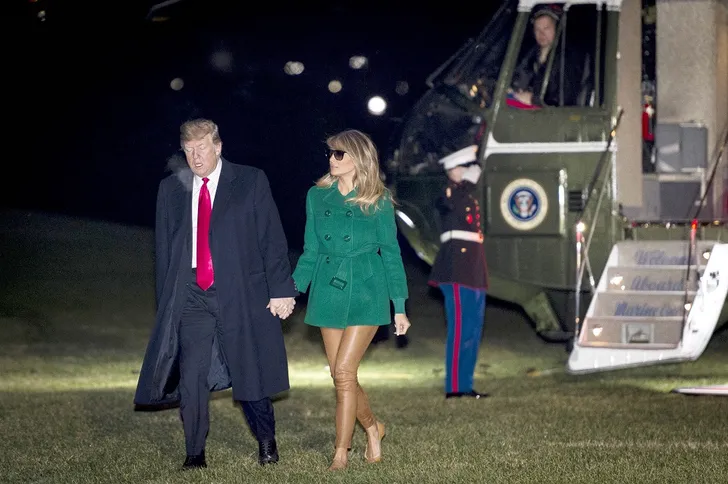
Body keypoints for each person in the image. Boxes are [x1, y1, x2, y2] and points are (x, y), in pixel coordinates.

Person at [133, 118, 297, 470]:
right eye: (189, 150)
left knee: (248, 368)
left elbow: (272, 239)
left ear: (218, 147)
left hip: (238, 291)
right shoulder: (171, 189)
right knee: (191, 375)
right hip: (192, 294)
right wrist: (167, 305)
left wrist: (282, 289)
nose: (195, 157)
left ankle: (266, 440)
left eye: (202, 148)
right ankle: (195, 452)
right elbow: (163, 251)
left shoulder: (250, 181)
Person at [291, 129, 412, 471]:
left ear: (359, 157)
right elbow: (311, 250)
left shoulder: (378, 199)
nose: (332, 159)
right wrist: (292, 290)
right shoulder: (317, 196)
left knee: (344, 371)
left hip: (366, 290)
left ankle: (340, 453)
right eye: (330, 153)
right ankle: (373, 428)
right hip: (328, 289)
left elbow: (391, 255)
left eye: (339, 153)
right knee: (340, 376)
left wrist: (399, 306)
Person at [428, 145, 489, 399]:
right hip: (455, 268)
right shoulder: (450, 193)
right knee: (460, 329)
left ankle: (466, 383)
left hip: (474, 268)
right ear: (452, 170)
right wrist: (467, 180)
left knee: (473, 329)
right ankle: (453, 387)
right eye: (463, 167)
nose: (468, 172)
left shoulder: (468, 195)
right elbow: (450, 203)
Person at [509, 4, 585, 107]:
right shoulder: (530, 55)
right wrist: (512, 89)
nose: (541, 34)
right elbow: (518, 77)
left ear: (556, 28)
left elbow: (565, 98)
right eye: (537, 29)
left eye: (546, 28)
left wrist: (534, 100)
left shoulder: (567, 58)